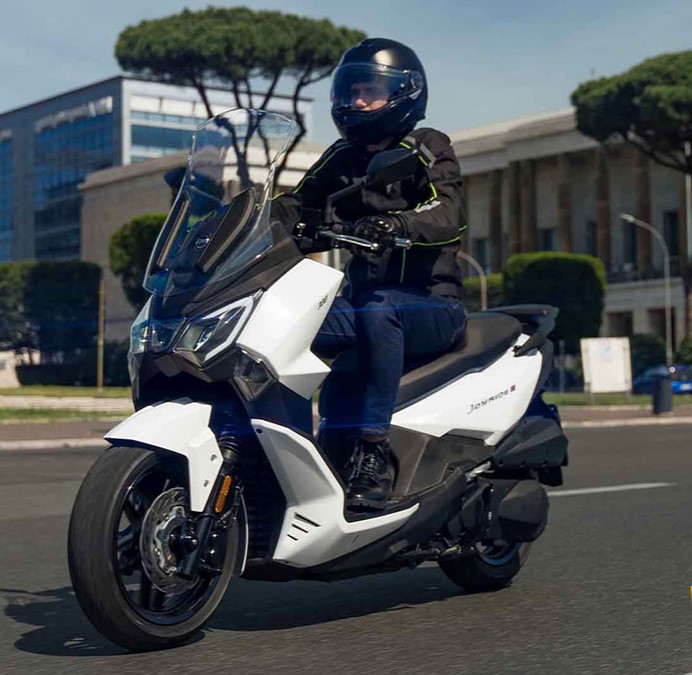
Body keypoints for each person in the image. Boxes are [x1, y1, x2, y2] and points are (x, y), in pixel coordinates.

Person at [271, 37, 467, 511]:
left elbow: (449, 212)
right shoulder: (342, 155)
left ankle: (373, 452)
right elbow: (298, 203)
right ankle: (286, 451)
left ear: (404, 93)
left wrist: (397, 224)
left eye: (370, 92)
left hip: (433, 304)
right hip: (364, 302)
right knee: (288, 321)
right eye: (352, 91)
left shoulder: (427, 146)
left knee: (378, 312)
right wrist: (243, 223)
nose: (358, 101)